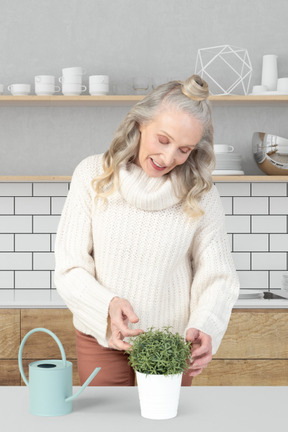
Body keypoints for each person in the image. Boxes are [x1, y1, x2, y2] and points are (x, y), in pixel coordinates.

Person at [54, 74, 240, 386]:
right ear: (140, 123)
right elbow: (70, 266)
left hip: (171, 343)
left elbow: (218, 276)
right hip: (102, 337)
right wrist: (108, 306)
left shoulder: (201, 194)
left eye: (184, 149)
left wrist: (206, 323)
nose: (169, 158)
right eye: (163, 140)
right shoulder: (92, 175)